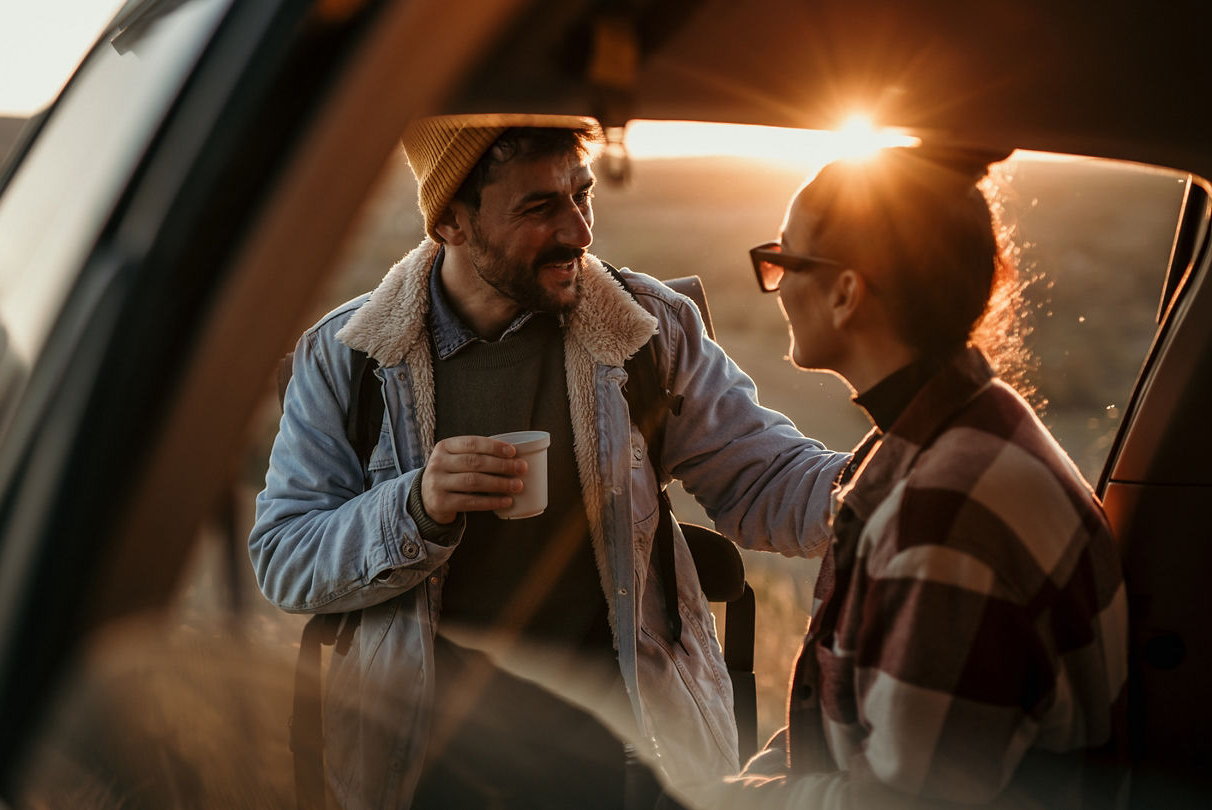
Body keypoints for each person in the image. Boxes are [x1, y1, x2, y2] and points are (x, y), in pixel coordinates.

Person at [249, 113, 846, 810]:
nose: (579, 231)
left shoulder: (644, 328)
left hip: (628, 761)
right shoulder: (349, 358)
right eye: (539, 207)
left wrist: (894, 481)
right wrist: (416, 507)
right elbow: (285, 558)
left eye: (581, 196)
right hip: (425, 770)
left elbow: (764, 477)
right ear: (451, 223)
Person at [721, 147, 1128, 808]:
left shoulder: (947, 516)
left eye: (782, 260)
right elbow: (847, 729)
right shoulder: (969, 428)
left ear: (846, 293)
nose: (774, 284)